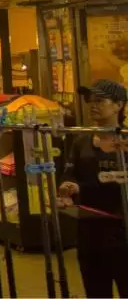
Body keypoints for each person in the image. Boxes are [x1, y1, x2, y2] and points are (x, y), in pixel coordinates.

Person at [58, 79, 128, 298]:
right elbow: (69, 173)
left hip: (122, 232)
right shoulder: (81, 141)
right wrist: (66, 187)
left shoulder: (125, 141)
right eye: (90, 100)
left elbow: (118, 187)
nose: (93, 105)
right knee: (96, 291)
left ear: (118, 105)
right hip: (89, 234)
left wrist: (81, 189)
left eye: (100, 100)